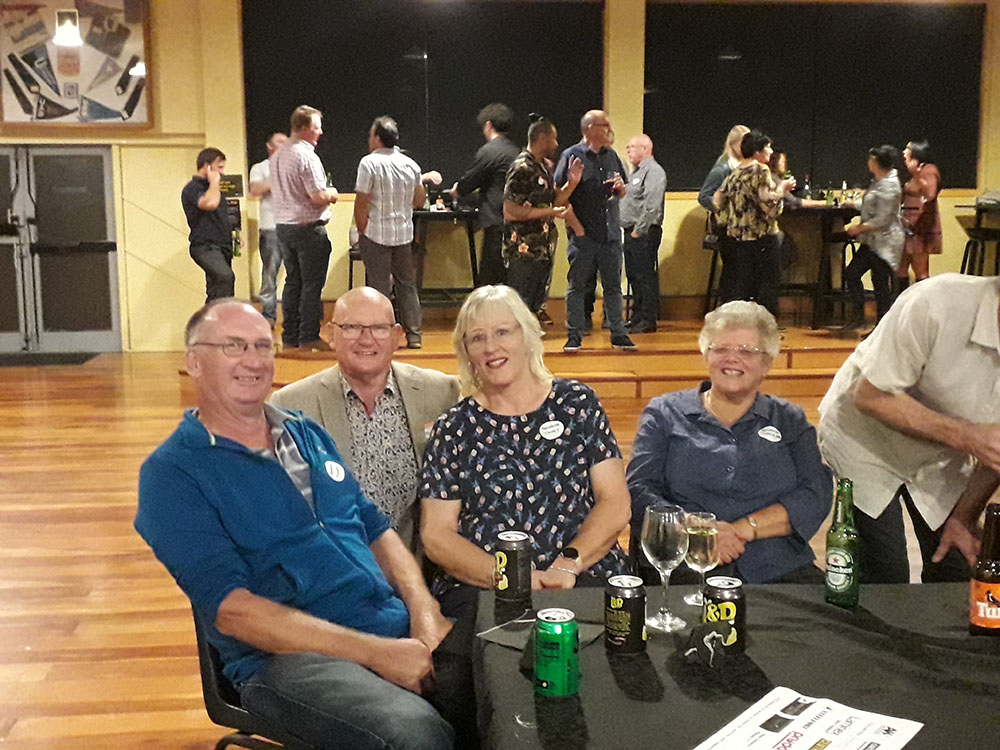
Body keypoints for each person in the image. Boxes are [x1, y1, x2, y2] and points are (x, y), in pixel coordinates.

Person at [135, 299, 474, 750]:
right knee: (414, 732)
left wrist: (424, 610)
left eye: (262, 346)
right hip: (285, 660)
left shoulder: (304, 432)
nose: (253, 360)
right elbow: (233, 611)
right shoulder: (172, 474)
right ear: (194, 362)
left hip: (385, 624)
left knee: (508, 682)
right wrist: (378, 654)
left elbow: (374, 528)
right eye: (233, 346)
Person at [419, 285, 631, 616]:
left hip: (583, 575)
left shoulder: (577, 404)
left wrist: (567, 565)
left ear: (528, 335)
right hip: (486, 587)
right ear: (466, 351)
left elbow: (615, 502)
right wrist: (512, 578)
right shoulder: (453, 428)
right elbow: (436, 535)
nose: (491, 347)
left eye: (503, 332)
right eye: (477, 338)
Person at [627, 301, 832, 584]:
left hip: (777, 567)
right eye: (721, 349)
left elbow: (815, 494)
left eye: (746, 351)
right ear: (706, 355)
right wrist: (699, 530)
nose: (732, 359)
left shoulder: (790, 420)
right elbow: (638, 490)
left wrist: (743, 529)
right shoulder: (664, 413)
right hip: (684, 566)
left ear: (767, 363)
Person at [818, 273, 1000, 584]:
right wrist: (970, 437)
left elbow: (994, 456)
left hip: (942, 456)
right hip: (863, 441)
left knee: (956, 571)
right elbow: (870, 396)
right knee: (887, 576)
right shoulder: (935, 302)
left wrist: (964, 516)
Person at [270, 286, 460, 550]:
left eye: (379, 328)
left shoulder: (440, 393)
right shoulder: (291, 406)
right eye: (352, 327)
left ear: (397, 336)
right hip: (334, 564)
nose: (366, 339)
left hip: (416, 564)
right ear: (331, 335)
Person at [555, 110, 636, 352]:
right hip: (584, 235)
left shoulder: (612, 155)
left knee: (613, 286)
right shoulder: (571, 155)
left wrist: (620, 189)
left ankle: (618, 333)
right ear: (590, 128)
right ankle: (574, 335)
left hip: (610, 233)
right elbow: (558, 199)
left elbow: (621, 190)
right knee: (577, 286)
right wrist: (573, 182)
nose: (609, 130)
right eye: (604, 125)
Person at [270, 105, 339, 350]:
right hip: (308, 228)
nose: (321, 132)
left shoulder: (277, 155)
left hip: (284, 226)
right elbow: (317, 196)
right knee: (311, 284)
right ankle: (308, 336)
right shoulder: (306, 156)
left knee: (293, 282)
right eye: (317, 127)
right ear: (304, 128)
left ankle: (290, 335)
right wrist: (333, 193)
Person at [355, 116, 426, 350]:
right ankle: (414, 336)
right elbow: (419, 200)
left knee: (379, 288)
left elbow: (361, 201)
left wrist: (362, 230)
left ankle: (382, 335)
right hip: (403, 234)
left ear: (377, 138)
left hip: (375, 233)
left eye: (370, 135)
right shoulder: (411, 165)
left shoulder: (368, 163)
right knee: (407, 285)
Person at [502, 115, 582, 318]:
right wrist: (549, 212)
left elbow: (554, 201)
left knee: (534, 306)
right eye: (553, 138)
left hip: (542, 249)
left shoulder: (543, 167)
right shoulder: (521, 168)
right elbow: (510, 211)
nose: (556, 144)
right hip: (523, 250)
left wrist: (572, 183)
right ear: (543, 138)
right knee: (519, 306)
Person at [712, 130, 796, 316]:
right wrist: (782, 188)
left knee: (743, 287)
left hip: (738, 239)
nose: (771, 151)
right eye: (768, 147)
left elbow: (717, 200)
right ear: (757, 151)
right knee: (767, 285)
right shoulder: (760, 170)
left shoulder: (735, 173)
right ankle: (764, 326)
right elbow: (767, 203)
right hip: (761, 236)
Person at [451, 103, 521, 287]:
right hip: (516, 220)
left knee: (489, 281)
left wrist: (456, 190)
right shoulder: (516, 151)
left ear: (488, 125)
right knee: (507, 278)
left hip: (496, 220)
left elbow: (469, 182)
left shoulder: (489, 151)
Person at [842, 145, 904, 329]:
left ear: (876, 162)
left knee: (880, 282)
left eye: (871, 159)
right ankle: (859, 317)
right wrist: (853, 204)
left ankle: (882, 325)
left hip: (885, 241)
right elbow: (871, 204)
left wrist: (859, 228)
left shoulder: (891, 185)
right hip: (872, 241)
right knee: (852, 273)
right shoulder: (878, 182)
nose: (868, 162)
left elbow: (883, 218)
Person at [620, 134, 667, 334]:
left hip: (644, 233)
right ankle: (637, 316)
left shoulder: (654, 172)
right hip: (631, 231)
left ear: (645, 148)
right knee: (634, 276)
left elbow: (652, 206)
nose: (628, 150)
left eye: (632, 147)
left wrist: (639, 231)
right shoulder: (636, 173)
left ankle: (648, 319)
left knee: (644, 276)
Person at [181, 147, 234, 303]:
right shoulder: (192, 188)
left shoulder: (213, 189)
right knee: (225, 277)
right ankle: (221, 315)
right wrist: (214, 181)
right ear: (206, 166)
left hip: (222, 245)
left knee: (217, 289)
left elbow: (219, 214)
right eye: (219, 168)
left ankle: (213, 316)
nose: (222, 173)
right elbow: (210, 204)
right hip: (205, 247)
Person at [248, 132, 288, 327]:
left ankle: (293, 317)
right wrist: (278, 178)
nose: (286, 145)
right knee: (270, 273)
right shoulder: (260, 167)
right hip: (270, 227)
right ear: (269, 147)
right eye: (280, 142)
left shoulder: (295, 167)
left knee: (296, 274)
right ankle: (268, 316)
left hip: (293, 226)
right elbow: (255, 189)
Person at [897, 140, 941, 292]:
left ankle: (922, 301)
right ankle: (902, 300)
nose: (904, 152)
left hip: (920, 225)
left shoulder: (928, 170)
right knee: (901, 267)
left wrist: (916, 174)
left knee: (920, 268)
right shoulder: (911, 173)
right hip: (907, 224)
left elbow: (930, 194)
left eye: (907, 149)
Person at [697, 124, 749, 212]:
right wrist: (725, 210)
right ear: (732, 144)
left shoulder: (749, 165)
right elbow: (704, 197)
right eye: (743, 143)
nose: (747, 147)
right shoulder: (722, 169)